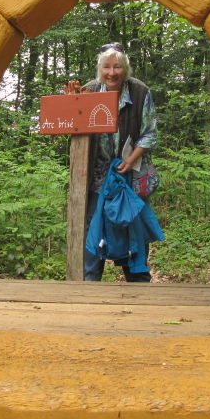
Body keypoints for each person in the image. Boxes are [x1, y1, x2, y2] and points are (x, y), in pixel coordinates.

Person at [74, 42, 160, 282]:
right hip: (97, 175)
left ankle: (138, 283)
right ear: (100, 69)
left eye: (117, 67)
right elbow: (73, 125)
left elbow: (151, 132)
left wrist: (131, 158)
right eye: (107, 67)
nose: (112, 73)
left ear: (126, 69)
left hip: (130, 173)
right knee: (94, 226)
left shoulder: (140, 92)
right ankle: (90, 285)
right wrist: (72, 101)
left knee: (132, 225)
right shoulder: (88, 91)